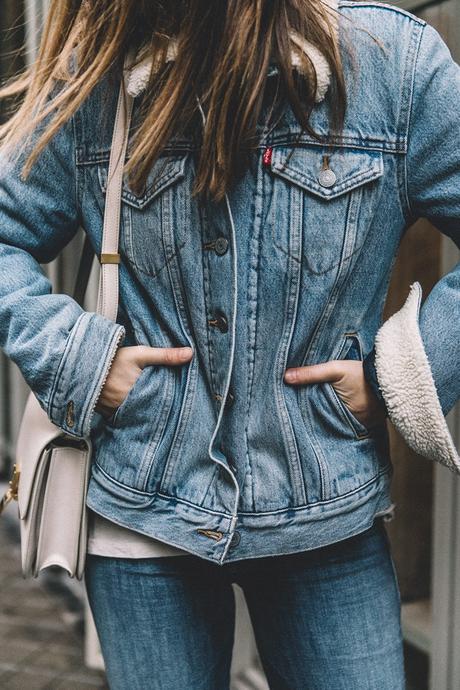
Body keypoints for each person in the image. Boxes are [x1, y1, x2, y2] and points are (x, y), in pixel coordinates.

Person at [0, 0, 459, 687]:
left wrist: (400, 376)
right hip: (142, 508)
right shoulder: (100, 70)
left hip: (326, 512)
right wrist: (82, 363)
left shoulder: (395, 64)